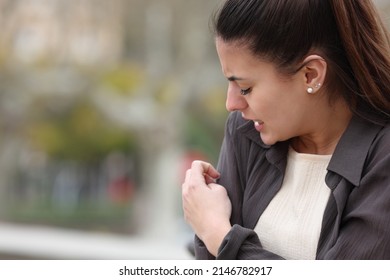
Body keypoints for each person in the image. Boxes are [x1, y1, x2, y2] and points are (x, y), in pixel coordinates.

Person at [181, 0, 390, 260]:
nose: (231, 104)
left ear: (311, 75)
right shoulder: (247, 131)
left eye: (245, 87)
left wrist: (220, 236)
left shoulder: (382, 156)